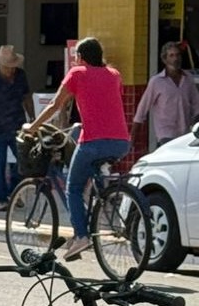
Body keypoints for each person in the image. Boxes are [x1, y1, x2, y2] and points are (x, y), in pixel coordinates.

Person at [26, 36, 130, 260]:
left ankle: (81, 235)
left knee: (72, 187)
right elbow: (106, 104)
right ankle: (99, 198)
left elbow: (55, 104)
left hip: (93, 142)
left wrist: (33, 127)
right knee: (88, 175)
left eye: (76, 58)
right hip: (121, 141)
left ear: (81, 57)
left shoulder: (77, 73)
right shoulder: (114, 75)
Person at [0, 45, 34, 211]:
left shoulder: (21, 76)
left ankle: (14, 193)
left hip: (18, 126)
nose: (11, 70)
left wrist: (33, 118)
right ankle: (2, 198)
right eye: (7, 67)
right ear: (0, 65)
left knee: (22, 162)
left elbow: (26, 97)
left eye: (13, 66)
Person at [131, 41, 199, 149]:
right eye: (171, 55)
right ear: (165, 59)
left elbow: (197, 104)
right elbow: (142, 109)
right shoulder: (156, 82)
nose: (175, 59)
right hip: (166, 134)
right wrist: (133, 137)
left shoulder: (188, 78)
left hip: (185, 134)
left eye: (177, 55)